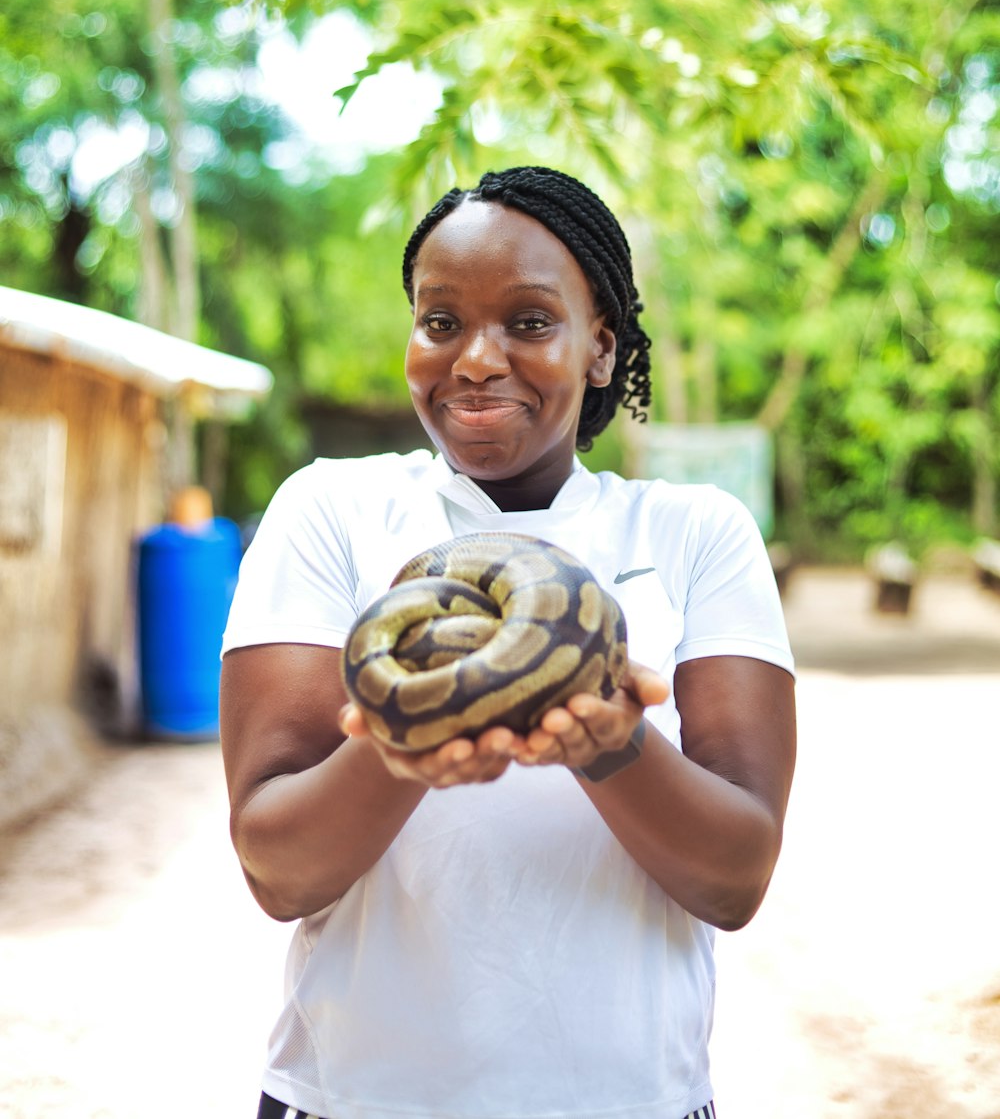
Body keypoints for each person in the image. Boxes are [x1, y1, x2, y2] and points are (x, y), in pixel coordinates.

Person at [220, 164, 796, 1119]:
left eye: (529, 322)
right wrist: (418, 735)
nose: (476, 359)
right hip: (353, 1102)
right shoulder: (334, 510)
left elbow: (736, 878)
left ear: (601, 348)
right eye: (441, 322)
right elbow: (277, 869)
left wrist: (614, 747)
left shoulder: (693, 534)